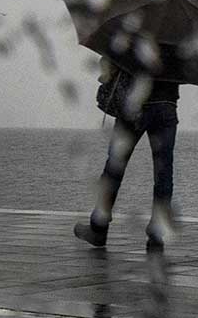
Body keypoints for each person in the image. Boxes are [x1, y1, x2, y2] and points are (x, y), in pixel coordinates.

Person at [74, 59, 180, 250]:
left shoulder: (136, 30)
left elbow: (113, 60)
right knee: (164, 172)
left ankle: (99, 227)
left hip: (134, 104)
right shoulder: (180, 33)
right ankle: (157, 233)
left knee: (114, 167)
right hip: (166, 105)